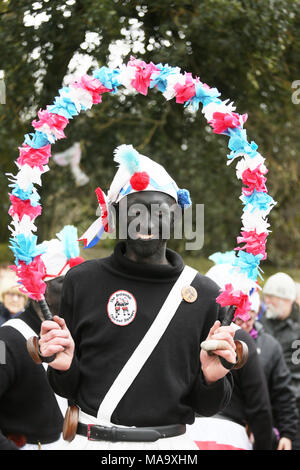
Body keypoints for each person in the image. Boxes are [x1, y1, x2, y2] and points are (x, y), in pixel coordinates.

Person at [39, 144, 236, 451]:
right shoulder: (82, 281)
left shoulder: (206, 295)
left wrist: (212, 380)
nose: (146, 221)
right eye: (135, 212)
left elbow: (207, 406)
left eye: (159, 211)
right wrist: (62, 367)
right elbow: (67, 386)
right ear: (116, 216)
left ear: (176, 217)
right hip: (91, 444)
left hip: (170, 450)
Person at [0, 225, 84, 450]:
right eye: (68, 283)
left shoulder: (76, 335)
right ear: (41, 290)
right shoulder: (4, 340)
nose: (78, 291)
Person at [187, 263, 273, 450]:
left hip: (184, 436)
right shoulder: (240, 338)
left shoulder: (186, 332)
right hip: (228, 437)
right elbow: (259, 406)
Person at [235, 290, 298, 450]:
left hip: (260, 431)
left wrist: (287, 433)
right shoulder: (219, 340)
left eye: (252, 315)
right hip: (227, 426)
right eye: (241, 317)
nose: (246, 322)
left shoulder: (269, 345)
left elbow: (283, 392)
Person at [260, 272, 300, 450]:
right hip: (260, 408)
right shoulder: (258, 327)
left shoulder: (296, 334)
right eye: (266, 297)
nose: (268, 302)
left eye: (274, 298)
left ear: (289, 301)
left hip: (291, 411)